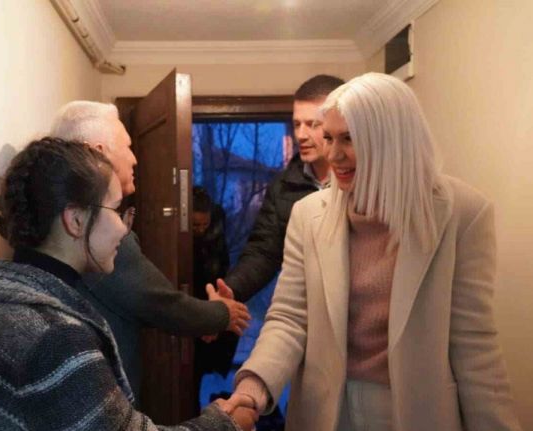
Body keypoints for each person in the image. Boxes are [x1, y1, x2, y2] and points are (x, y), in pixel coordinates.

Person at [220, 73, 522, 430]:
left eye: (349, 138)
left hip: (418, 413)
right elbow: (289, 318)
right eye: (329, 137)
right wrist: (252, 388)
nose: (334, 154)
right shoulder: (307, 215)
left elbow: (472, 343)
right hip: (326, 412)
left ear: (392, 139)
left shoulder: (463, 214)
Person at [0, 138, 255, 430]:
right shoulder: (55, 338)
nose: (123, 228)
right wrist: (225, 423)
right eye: (116, 210)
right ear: (75, 220)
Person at [49, 101, 250, 398]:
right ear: (99, 152)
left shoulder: (61, 215)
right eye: (128, 147)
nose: (134, 159)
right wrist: (221, 314)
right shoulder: (93, 229)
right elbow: (159, 303)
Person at [220, 75, 345, 302]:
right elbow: (264, 253)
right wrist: (232, 290)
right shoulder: (282, 187)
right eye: (297, 124)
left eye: (313, 124)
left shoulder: (361, 181)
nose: (301, 135)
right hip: (307, 307)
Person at [191, 186, 235, 404]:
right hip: (192, 298)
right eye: (195, 225)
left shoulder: (217, 233)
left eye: (204, 225)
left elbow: (222, 267)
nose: (200, 230)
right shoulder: (181, 239)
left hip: (212, 293)